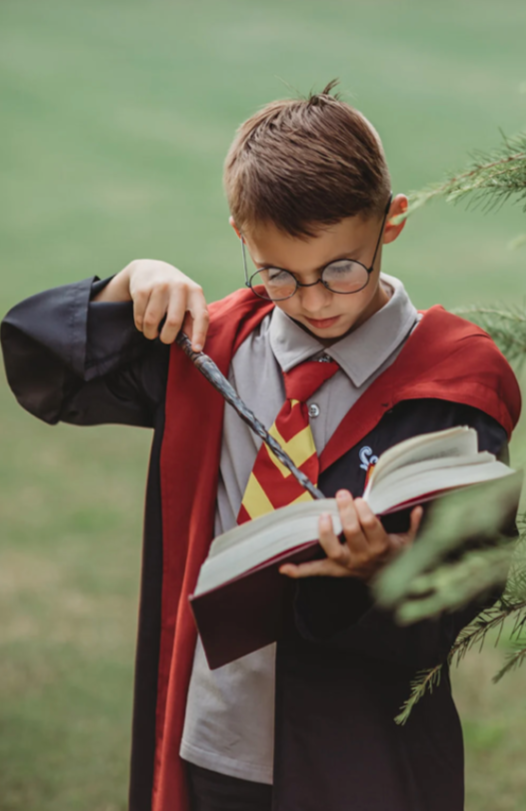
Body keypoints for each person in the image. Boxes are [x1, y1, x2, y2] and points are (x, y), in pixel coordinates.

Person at [1, 80, 521, 811]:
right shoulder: (213, 345)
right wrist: (131, 282)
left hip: (355, 755)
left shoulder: (452, 380)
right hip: (212, 736)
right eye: (278, 273)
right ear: (243, 238)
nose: (314, 301)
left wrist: (386, 570)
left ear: (391, 222)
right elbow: (45, 364)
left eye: (342, 268)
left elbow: (470, 590)